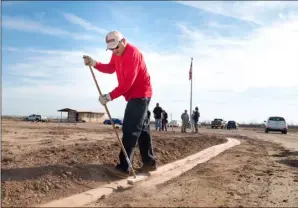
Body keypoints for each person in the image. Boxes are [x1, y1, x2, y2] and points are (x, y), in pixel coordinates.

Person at [83, 31, 156, 178]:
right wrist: (95, 63)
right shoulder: (116, 53)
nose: (114, 51)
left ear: (123, 41)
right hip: (134, 95)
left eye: (116, 47)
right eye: (111, 49)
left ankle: (124, 167)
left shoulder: (132, 54)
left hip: (140, 94)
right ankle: (149, 162)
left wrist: (109, 96)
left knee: (130, 128)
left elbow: (127, 84)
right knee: (142, 129)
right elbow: (111, 68)